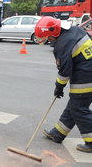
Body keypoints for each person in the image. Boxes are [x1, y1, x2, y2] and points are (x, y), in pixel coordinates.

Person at [34, 16, 92, 153]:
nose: (47, 40)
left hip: (86, 76)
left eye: (47, 37)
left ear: (53, 34)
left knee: (79, 108)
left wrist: (59, 86)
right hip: (86, 70)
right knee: (75, 104)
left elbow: (64, 70)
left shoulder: (63, 44)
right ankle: (58, 132)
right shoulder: (75, 31)